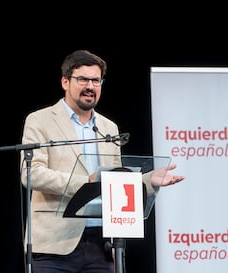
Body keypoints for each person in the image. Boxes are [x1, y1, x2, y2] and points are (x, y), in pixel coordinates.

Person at [20, 49, 185, 273]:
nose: (90, 86)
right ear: (65, 82)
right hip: (54, 244)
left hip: (102, 244)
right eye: (83, 79)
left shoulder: (109, 127)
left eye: (96, 80)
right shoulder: (40, 120)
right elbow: (33, 174)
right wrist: (86, 184)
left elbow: (115, 180)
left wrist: (147, 181)